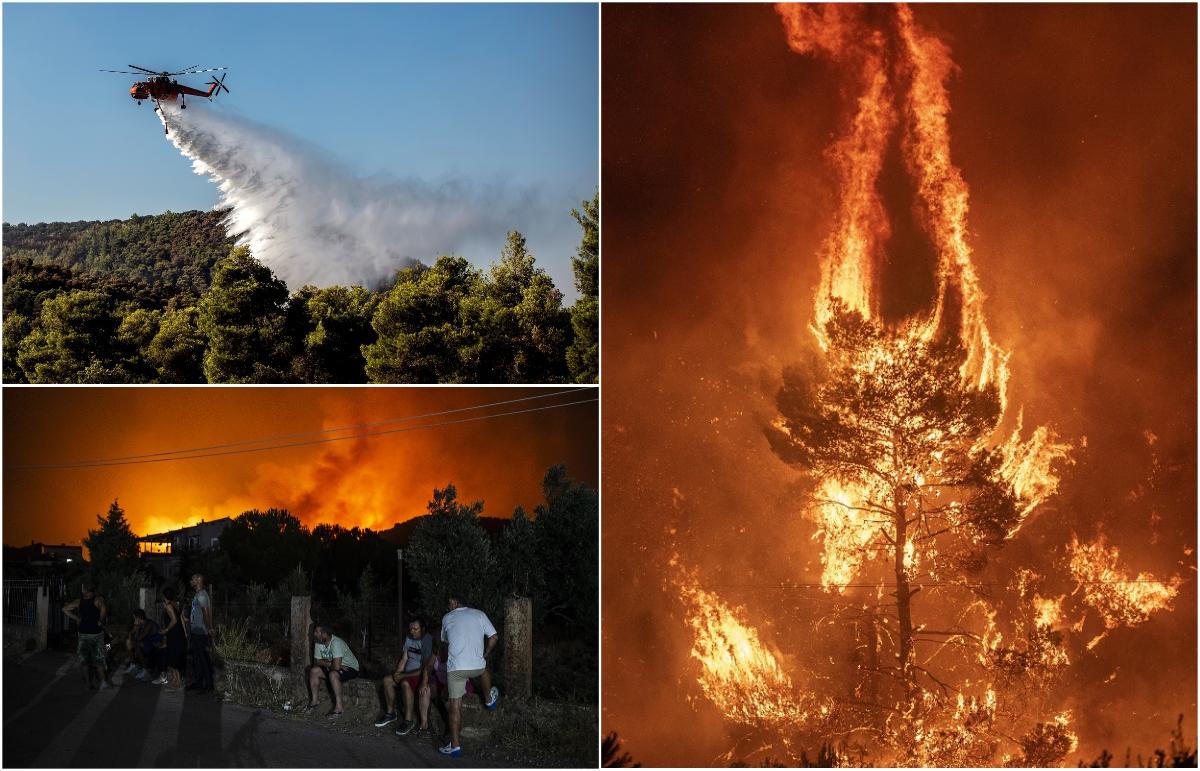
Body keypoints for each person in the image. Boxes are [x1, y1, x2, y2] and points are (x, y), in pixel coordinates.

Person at [438, 595, 500, 757]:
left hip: (456, 669)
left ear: (456, 603)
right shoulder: (479, 614)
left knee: (454, 707)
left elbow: (444, 643)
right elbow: (494, 637)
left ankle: (456, 747)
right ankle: (488, 699)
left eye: (450, 603)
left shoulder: (447, 618)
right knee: (484, 669)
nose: (448, 606)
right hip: (476, 666)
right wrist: (485, 653)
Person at [376, 619, 435, 733]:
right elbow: (404, 658)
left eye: (415, 629)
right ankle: (390, 713)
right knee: (387, 680)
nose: (412, 631)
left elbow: (425, 668)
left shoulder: (427, 641)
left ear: (422, 629)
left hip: (420, 675)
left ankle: (408, 720)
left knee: (405, 683)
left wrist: (402, 675)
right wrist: (398, 673)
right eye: (411, 629)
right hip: (406, 674)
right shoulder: (409, 638)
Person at [302, 624, 360, 719]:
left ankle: (339, 708)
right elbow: (317, 661)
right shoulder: (319, 642)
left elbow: (335, 668)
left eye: (317, 632)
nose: (314, 634)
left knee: (333, 674)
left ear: (324, 634)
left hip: (350, 667)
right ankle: (315, 702)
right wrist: (333, 664)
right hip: (337, 666)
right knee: (314, 671)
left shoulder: (336, 643)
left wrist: (335, 665)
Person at [63, 583, 109, 690]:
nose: (82, 590)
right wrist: (100, 620)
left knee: (84, 660)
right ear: (92, 591)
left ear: (86, 591)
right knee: (99, 659)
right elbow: (104, 610)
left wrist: (77, 618)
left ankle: (88, 684)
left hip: (83, 634)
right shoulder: (97, 600)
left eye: (83, 589)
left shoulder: (79, 601)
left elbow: (64, 609)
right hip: (96, 634)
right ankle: (103, 682)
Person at [186, 573, 214, 693]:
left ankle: (208, 685)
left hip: (200, 632)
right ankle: (198, 683)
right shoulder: (198, 594)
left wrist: (210, 629)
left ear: (198, 580)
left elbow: (206, 613)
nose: (190, 581)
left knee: (203, 658)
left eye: (192, 579)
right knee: (197, 658)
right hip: (195, 630)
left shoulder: (202, 595)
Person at [154, 586, 187, 688]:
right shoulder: (174, 604)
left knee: (172, 659)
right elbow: (181, 619)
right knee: (174, 658)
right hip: (179, 634)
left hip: (174, 634)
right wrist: (185, 633)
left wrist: (166, 630)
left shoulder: (168, 606)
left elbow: (174, 620)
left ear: (164, 596)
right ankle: (175, 680)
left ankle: (177, 682)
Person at [124, 608, 163, 681]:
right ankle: (133, 664)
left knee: (137, 645)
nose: (134, 619)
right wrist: (131, 637)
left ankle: (146, 670)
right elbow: (130, 634)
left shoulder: (149, 624)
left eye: (135, 617)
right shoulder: (140, 624)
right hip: (148, 643)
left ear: (139, 617)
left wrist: (137, 628)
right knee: (128, 642)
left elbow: (140, 637)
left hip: (156, 644)